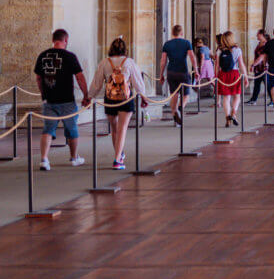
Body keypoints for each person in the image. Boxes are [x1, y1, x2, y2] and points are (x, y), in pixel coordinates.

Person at [84, 37, 148, 171]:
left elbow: (97, 83)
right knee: (122, 128)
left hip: (110, 98)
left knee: (114, 129)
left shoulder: (104, 62)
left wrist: (89, 97)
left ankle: (119, 154)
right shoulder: (129, 62)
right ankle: (117, 159)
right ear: (125, 49)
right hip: (125, 97)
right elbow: (137, 80)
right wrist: (143, 96)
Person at [33, 29, 89, 171]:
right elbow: (80, 77)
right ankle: (74, 158)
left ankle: (44, 160)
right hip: (67, 101)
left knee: (48, 129)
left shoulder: (43, 56)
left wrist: (43, 94)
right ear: (66, 40)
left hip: (50, 100)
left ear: (53, 40)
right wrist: (86, 95)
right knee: (72, 129)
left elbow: (39, 78)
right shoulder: (70, 56)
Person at [161, 25, 197, 125]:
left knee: (174, 94)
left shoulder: (167, 44)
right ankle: (180, 108)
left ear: (172, 32)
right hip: (183, 71)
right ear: (181, 32)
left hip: (171, 71)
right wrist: (196, 70)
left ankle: (174, 113)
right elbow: (192, 57)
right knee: (186, 94)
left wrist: (161, 74)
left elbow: (163, 61)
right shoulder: (186, 43)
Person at [215, 31, 247, 127]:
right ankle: (233, 113)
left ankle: (227, 118)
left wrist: (216, 76)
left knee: (226, 97)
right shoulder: (237, 50)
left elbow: (217, 65)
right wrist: (245, 76)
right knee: (237, 96)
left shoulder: (219, 51)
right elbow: (241, 64)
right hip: (234, 74)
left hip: (223, 75)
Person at [246, 29, 268, 105]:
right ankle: (253, 99)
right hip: (258, 68)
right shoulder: (259, 44)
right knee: (257, 84)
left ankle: (273, 100)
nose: (256, 36)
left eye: (258, 34)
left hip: (264, 67)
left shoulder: (265, 44)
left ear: (262, 35)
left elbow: (261, 57)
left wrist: (253, 65)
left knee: (268, 84)